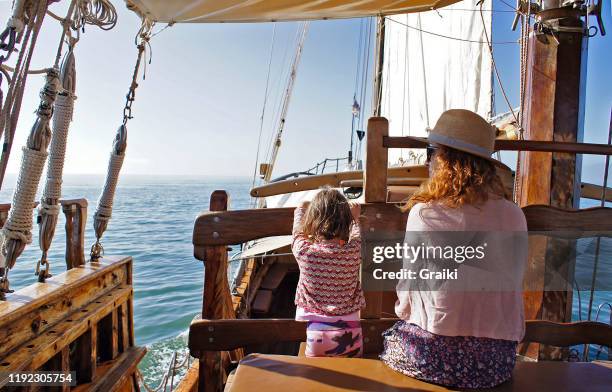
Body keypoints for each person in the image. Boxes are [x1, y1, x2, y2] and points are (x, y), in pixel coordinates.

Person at [380, 109, 528, 388]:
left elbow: (407, 292)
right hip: (495, 363)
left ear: (443, 159)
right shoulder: (514, 215)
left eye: (430, 152)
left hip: (435, 357)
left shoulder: (423, 213)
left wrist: (409, 317)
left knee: (390, 341)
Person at [292, 187, 365, 357]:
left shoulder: (305, 252)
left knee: (319, 377)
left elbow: (297, 233)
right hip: (352, 334)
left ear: (313, 220)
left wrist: (301, 209)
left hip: (316, 334)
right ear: (345, 222)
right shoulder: (353, 251)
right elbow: (356, 235)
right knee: (352, 376)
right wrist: (355, 218)